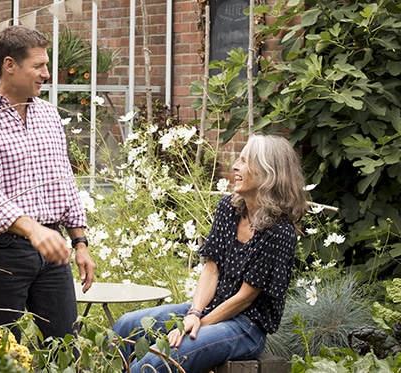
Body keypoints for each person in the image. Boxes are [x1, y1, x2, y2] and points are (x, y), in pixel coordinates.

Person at [112, 134, 309, 372]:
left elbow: (245, 298)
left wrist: (195, 324)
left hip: (245, 327)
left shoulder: (279, 232)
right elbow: (211, 269)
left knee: (160, 360)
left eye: (245, 161)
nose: (235, 166)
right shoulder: (229, 209)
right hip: (209, 310)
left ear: (268, 173)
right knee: (127, 326)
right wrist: (194, 313)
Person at [0, 25, 95, 341]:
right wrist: (33, 229)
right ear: (10, 65)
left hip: (53, 248)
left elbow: (64, 179)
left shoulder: (48, 115)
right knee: (2, 347)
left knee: (65, 345)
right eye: (38, 65)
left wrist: (80, 242)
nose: (46, 73)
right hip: (4, 250)